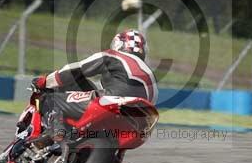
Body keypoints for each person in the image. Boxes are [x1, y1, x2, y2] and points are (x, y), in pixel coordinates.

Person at [29, 29, 158, 148]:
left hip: (112, 101)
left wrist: (46, 80)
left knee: (49, 99)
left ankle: (56, 133)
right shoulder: (150, 74)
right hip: (139, 122)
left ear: (119, 43)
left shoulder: (114, 55)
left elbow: (77, 69)